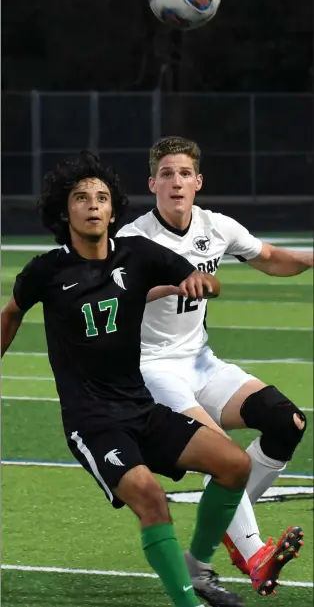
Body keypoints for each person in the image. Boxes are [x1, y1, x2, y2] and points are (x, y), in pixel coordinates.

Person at [1, 150, 254, 607]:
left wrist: (202, 282)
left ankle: (197, 566)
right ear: (65, 210)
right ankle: (187, 603)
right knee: (151, 497)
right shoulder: (46, 271)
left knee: (235, 464)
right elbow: (11, 313)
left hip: (141, 409)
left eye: (101, 197)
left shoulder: (136, 254)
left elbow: (207, 280)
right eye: (81, 197)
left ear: (114, 209)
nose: (93, 205)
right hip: (92, 423)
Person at [117, 136, 311, 596]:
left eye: (185, 173)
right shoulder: (133, 238)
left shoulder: (216, 227)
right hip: (151, 367)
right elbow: (116, 297)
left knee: (287, 421)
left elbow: (272, 259)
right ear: (153, 184)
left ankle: (205, 552)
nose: (176, 182)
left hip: (201, 361)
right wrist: (171, 286)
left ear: (198, 182)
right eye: (166, 174)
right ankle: (254, 552)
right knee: (220, 450)